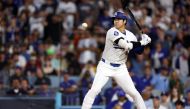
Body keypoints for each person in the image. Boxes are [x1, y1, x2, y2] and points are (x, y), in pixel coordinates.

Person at [81, 11, 151, 109]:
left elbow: (138, 51)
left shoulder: (130, 35)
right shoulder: (111, 31)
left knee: (134, 93)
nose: (116, 21)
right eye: (115, 19)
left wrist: (143, 42)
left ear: (125, 21)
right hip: (105, 66)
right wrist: (142, 42)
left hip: (120, 68)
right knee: (94, 90)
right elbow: (126, 45)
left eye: (118, 19)